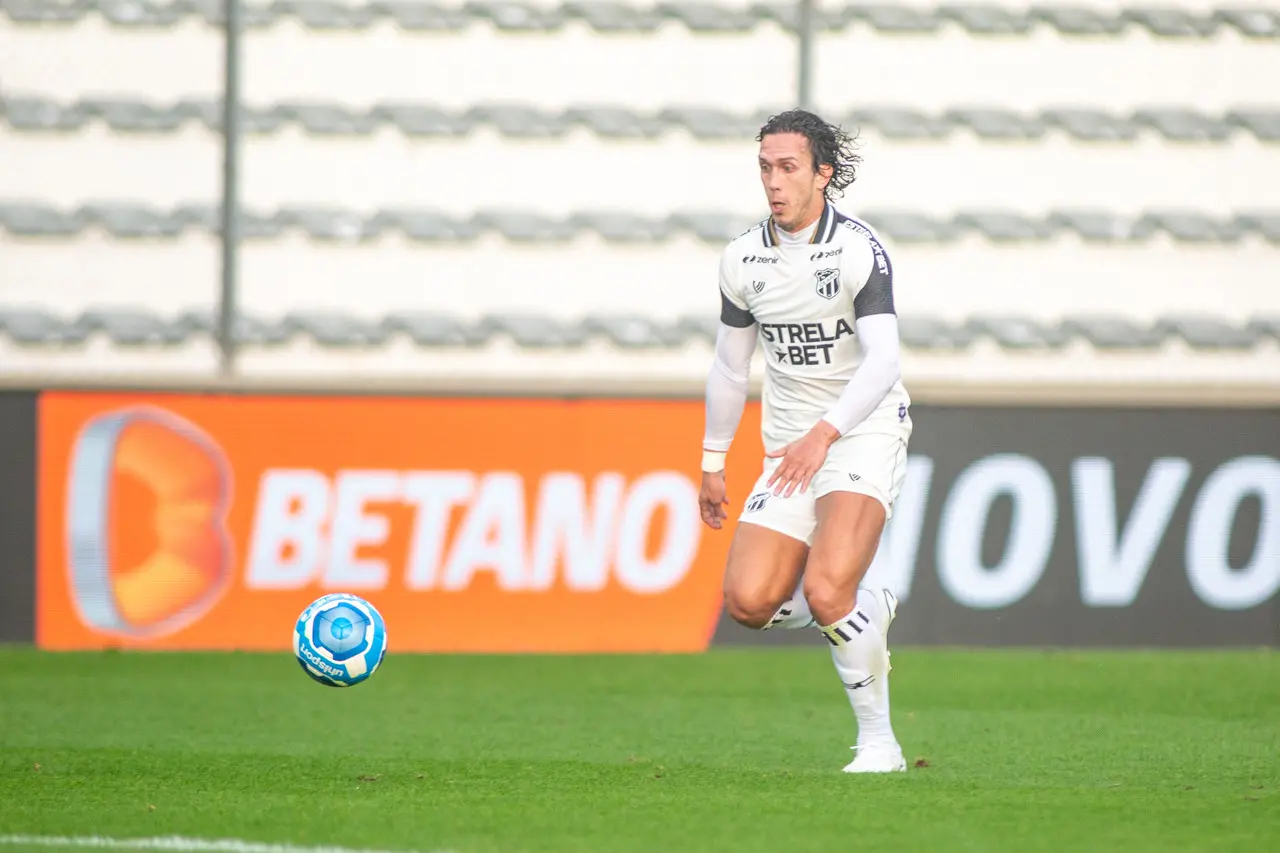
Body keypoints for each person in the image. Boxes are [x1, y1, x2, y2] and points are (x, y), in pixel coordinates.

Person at [697, 109, 913, 773]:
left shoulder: (856, 249)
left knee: (824, 590)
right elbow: (730, 366)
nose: (773, 181)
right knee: (749, 603)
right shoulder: (742, 259)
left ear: (823, 173)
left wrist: (825, 433)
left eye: (788, 167)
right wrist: (712, 459)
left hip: (861, 429)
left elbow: (884, 360)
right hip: (791, 447)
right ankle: (864, 605)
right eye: (765, 167)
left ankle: (879, 743)